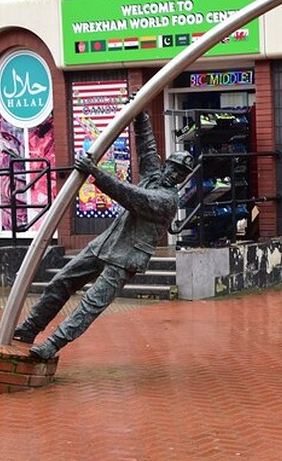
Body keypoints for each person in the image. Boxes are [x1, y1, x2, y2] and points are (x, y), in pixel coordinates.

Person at [14, 111, 195, 359]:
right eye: (173, 168)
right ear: (167, 165)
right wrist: (140, 116)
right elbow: (147, 149)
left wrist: (96, 174)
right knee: (61, 282)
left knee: (91, 303)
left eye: (180, 174)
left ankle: (53, 345)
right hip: (105, 244)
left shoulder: (167, 200)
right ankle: (30, 328)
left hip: (125, 258)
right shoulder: (153, 177)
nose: (174, 175)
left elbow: (131, 196)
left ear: (183, 179)